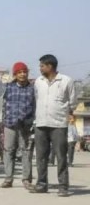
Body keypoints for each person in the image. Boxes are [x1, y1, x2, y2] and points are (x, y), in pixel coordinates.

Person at [31, 54, 77, 196]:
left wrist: (66, 114)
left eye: (42, 66)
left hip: (58, 125)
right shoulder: (38, 81)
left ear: (50, 66)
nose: (40, 68)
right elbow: (36, 99)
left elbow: (72, 102)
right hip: (41, 124)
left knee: (61, 156)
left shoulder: (66, 81)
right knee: (41, 156)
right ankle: (41, 184)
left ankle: (63, 186)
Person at [0, 62, 35, 189]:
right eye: (19, 72)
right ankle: (8, 179)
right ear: (15, 74)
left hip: (25, 126)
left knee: (26, 151)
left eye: (24, 72)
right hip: (10, 124)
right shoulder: (7, 87)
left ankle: (26, 179)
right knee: (8, 151)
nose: (22, 74)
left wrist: (32, 121)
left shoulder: (32, 89)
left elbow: (36, 106)